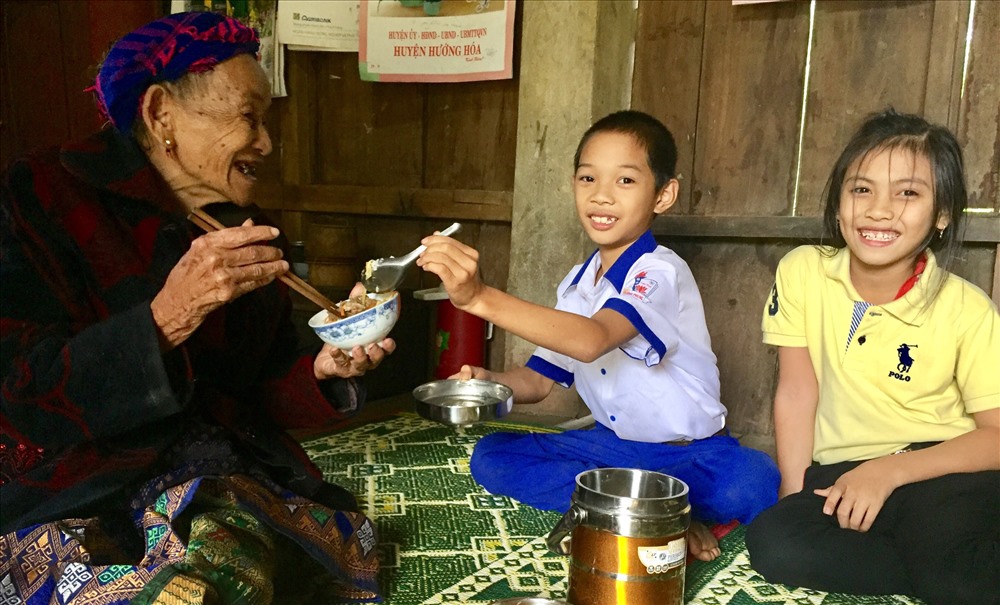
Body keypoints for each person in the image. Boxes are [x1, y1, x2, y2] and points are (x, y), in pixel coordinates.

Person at [0, 12, 395, 605]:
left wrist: (321, 371)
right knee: (93, 571)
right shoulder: (39, 195)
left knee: (234, 550)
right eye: (248, 117)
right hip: (67, 480)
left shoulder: (247, 235)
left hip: (207, 474)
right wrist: (163, 320)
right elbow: (19, 387)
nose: (265, 142)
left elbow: (254, 388)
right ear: (161, 114)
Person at [417, 110, 780, 561]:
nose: (601, 196)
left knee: (753, 481)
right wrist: (486, 385)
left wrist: (478, 298)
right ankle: (653, 515)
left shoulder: (660, 272)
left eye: (625, 181)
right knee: (492, 455)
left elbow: (591, 339)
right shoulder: (578, 283)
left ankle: (620, 510)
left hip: (691, 455)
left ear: (663, 194)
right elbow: (538, 380)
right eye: (587, 178)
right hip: (609, 448)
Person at [745, 109, 999, 605]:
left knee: (947, 565)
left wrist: (889, 471)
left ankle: (945, 564)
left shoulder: (967, 308)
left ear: (942, 214)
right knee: (774, 544)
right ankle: (940, 564)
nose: (880, 211)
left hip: (941, 471)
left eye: (908, 193)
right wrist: (794, 498)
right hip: (840, 471)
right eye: (861, 190)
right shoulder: (802, 273)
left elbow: (996, 435)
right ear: (839, 205)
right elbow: (798, 392)